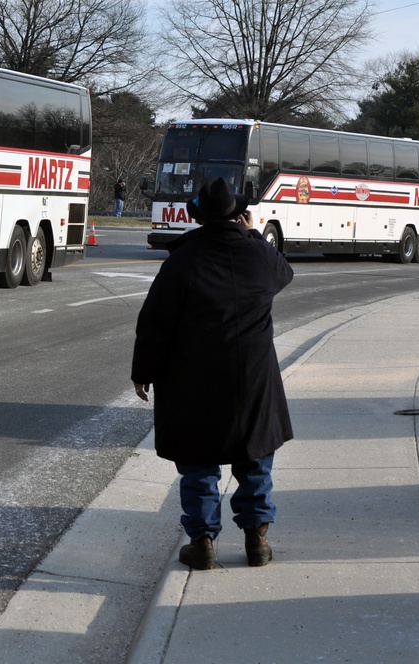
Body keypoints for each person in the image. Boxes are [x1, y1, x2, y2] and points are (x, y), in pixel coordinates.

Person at [131, 177, 294, 570]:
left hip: (193, 377)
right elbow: (284, 273)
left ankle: (202, 541)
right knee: (255, 458)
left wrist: (143, 372)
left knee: (198, 460)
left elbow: (155, 324)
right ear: (239, 215)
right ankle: (257, 539)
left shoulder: (183, 260)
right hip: (253, 376)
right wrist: (254, 235)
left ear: (200, 217)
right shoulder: (260, 257)